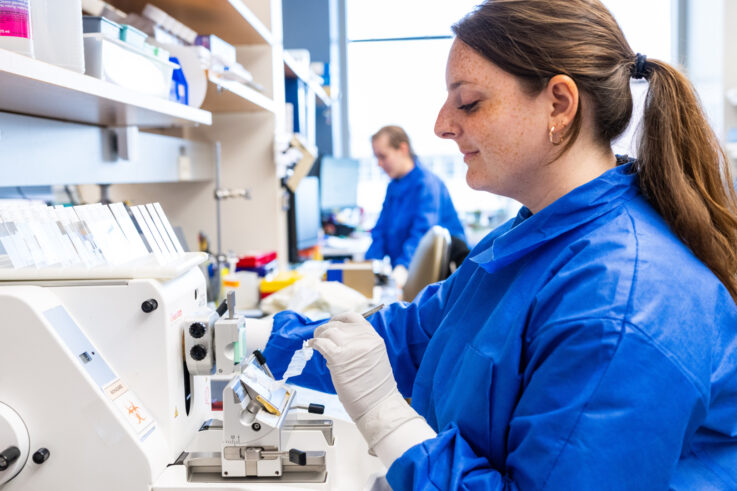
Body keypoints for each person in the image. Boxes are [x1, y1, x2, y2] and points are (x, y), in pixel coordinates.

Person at [261, 0, 737, 488]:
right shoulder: (533, 234)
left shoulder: (622, 304)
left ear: (559, 103)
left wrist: (389, 418)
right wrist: (253, 342)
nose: (442, 124)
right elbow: (412, 336)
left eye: (468, 102)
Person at [364, 125, 466, 287]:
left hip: (432, 276)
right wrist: (368, 265)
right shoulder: (394, 186)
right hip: (405, 271)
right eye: (376, 157)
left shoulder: (427, 184)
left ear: (402, 149)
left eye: (383, 156)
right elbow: (381, 230)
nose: (379, 164)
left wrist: (403, 267)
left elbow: (422, 232)